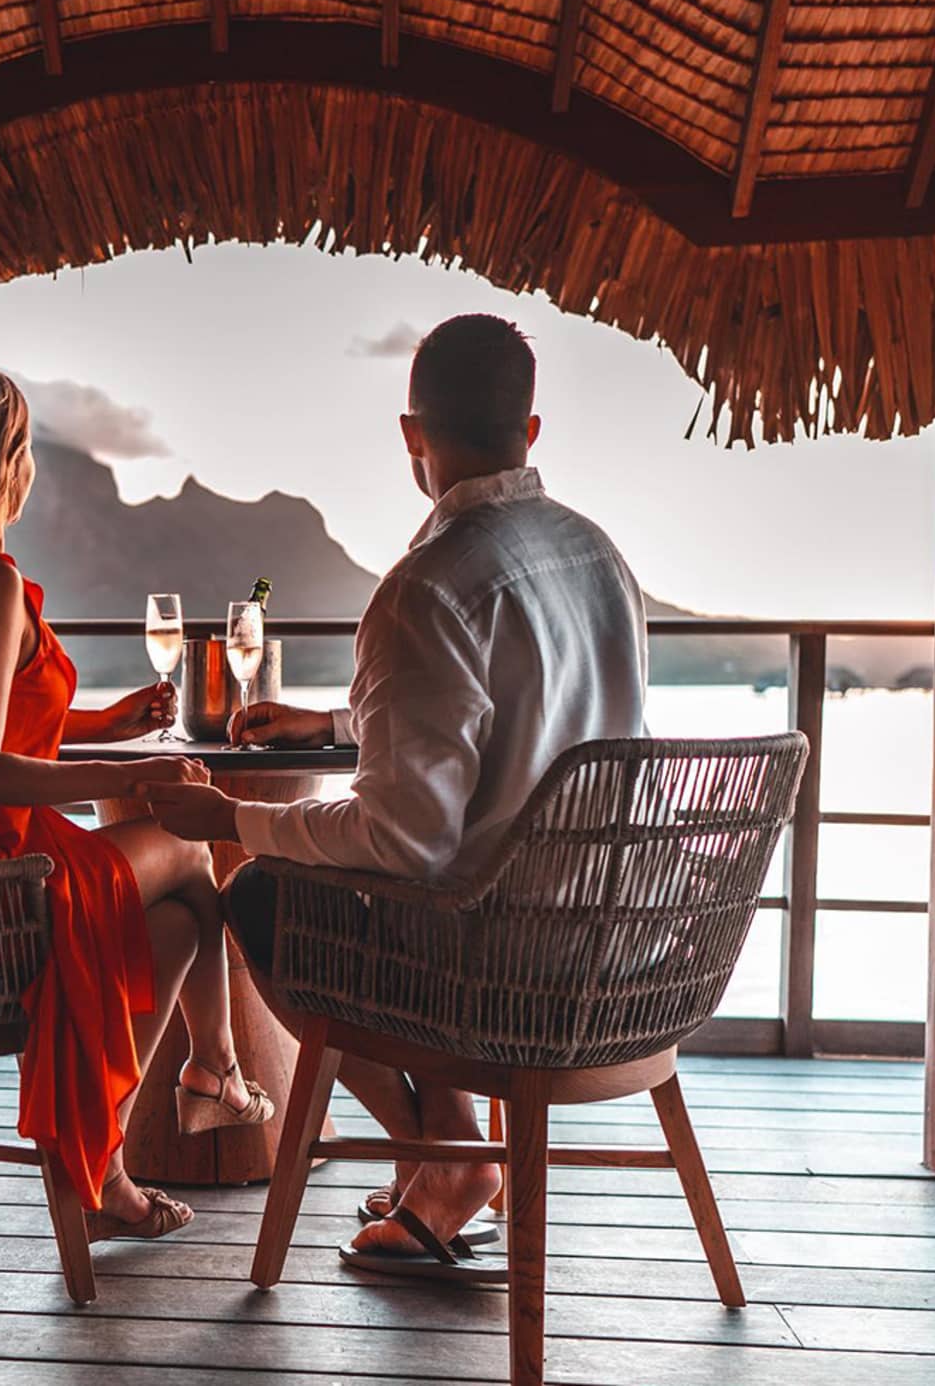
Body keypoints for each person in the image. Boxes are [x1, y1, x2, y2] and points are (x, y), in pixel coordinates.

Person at [145, 314, 646, 1277]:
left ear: (412, 433)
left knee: (261, 896)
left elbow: (404, 842)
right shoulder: (598, 557)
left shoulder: (427, 587)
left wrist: (237, 821)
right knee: (345, 884)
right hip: (622, 940)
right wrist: (337, 727)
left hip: (502, 961)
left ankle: (441, 1158)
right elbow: (504, 724)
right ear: (531, 432)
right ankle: (447, 1149)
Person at [0, 358, 272, 1241]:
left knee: (184, 926)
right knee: (192, 854)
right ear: (3, 457)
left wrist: (108, 727)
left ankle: (139, 1135)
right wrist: (129, 778)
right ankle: (203, 1081)